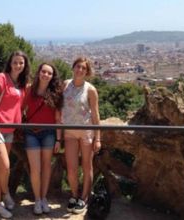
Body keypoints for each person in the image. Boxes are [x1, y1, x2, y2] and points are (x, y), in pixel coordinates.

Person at [0, 51, 30, 218]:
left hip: (10, 130)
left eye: (21, 63)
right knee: (6, 165)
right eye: (15, 62)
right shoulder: (1, 78)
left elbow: (20, 107)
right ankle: (6, 194)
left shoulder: (21, 84)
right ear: (10, 63)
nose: (18, 65)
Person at [61, 57, 101, 214]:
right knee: (71, 168)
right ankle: (74, 195)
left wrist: (98, 138)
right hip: (69, 132)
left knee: (86, 166)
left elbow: (96, 116)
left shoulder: (90, 90)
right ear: (73, 67)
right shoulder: (65, 84)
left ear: (87, 71)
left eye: (83, 68)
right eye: (78, 67)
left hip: (86, 132)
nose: (80, 70)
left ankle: (84, 199)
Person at [23, 63, 63, 215]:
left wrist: (58, 140)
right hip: (31, 132)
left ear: (52, 77)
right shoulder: (29, 90)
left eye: (49, 73)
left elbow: (58, 118)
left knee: (46, 167)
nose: (46, 75)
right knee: (35, 168)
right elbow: (20, 108)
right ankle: (37, 199)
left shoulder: (55, 93)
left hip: (49, 132)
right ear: (39, 72)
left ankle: (43, 197)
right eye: (43, 71)